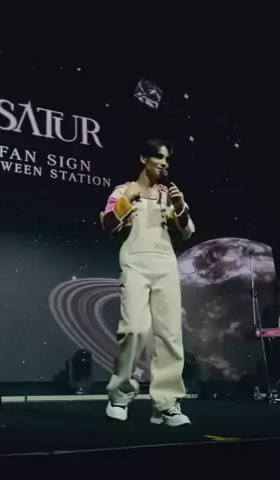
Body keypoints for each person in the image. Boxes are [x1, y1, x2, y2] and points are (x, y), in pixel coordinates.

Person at [99, 138, 194, 427]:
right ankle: (119, 395)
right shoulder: (123, 189)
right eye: (159, 157)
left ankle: (166, 403)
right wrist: (128, 198)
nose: (164, 163)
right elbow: (107, 225)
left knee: (169, 335)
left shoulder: (170, 194)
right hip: (135, 263)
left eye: (167, 159)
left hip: (165, 262)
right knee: (134, 329)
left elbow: (187, 232)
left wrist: (180, 207)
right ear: (144, 158)